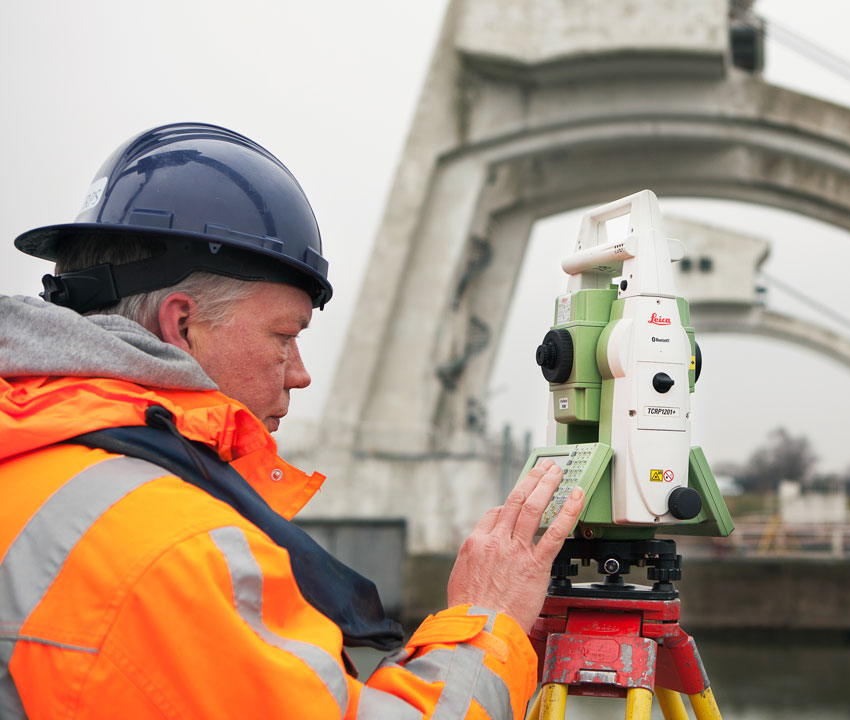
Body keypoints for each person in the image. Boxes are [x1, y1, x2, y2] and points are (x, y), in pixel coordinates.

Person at [0, 122, 585, 719]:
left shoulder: (33, 458)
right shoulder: (171, 547)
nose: (300, 373)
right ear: (182, 326)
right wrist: (490, 621)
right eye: (284, 335)